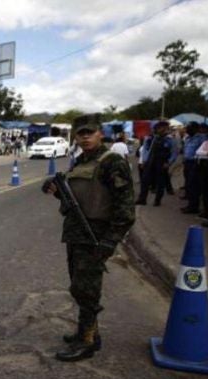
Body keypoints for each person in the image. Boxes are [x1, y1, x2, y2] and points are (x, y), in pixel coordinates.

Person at [41, 113, 135, 362]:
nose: (84, 137)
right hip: (76, 233)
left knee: (86, 289)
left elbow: (125, 208)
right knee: (79, 285)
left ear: (100, 133)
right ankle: (87, 331)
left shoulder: (111, 161)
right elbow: (79, 197)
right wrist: (56, 190)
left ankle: (88, 341)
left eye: (89, 132)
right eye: (80, 133)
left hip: (95, 235)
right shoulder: (81, 161)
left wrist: (110, 241)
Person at [135, 121, 173, 206]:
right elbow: (145, 149)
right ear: (157, 129)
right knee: (145, 181)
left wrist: (169, 162)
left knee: (160, 183)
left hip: (162, 162)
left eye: (165, 128)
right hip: (150, 161)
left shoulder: (169, 139)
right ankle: (142, 199)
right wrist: (144, 160)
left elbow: (174, 152)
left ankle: (157, 200)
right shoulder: (150, 138)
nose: (164, 129)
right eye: (161, 128)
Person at [180, 122, 206, 214]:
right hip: (187, 163)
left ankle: (194, 207)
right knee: (188, 184)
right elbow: (186, 150)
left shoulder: (201, 138)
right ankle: (190, 205)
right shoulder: (188, 138)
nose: (187, 130)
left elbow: (203, 151)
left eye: (189, 128)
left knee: (193, 185)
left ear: (195, 129)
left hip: (195, 163)